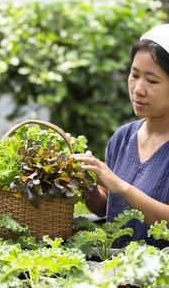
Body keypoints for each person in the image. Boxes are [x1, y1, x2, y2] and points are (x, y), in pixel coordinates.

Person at [71, 24, 169, 249]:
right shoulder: (123, 137)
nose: (138, 89)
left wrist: (122, 186)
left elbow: (121, 190)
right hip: (115, 273)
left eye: (151, 81)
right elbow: (109, 208)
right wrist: (88, 184)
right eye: (134, 75)